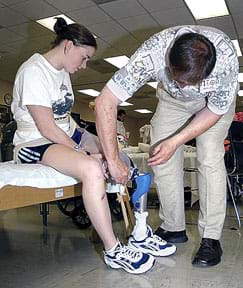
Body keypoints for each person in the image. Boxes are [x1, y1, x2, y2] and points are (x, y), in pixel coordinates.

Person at [11, 17, 156, 274]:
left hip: (64, 135)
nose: (85, 65)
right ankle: (113, 251)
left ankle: (141, 232)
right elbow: (47, 127)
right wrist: (83, 152)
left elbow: (64, 121)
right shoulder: (33, 70)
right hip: (35, 142)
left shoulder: (63, 72)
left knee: (115, 154)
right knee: (91, 168)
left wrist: (100, 145)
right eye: (85, 57)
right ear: (69, 46)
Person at [95, 25, 239, 267]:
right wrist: (112, 159)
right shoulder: (152, 53)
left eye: (190, 82)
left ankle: (211, 238)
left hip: (211, 105)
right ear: (169, 60)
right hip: (172, 102)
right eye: (179, 79)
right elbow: (104, 102)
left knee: (209, 156)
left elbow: (214, 111)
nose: (185, 87)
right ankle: (173, 227)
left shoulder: (226, 59)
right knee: (159, 153)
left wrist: (176, 140)